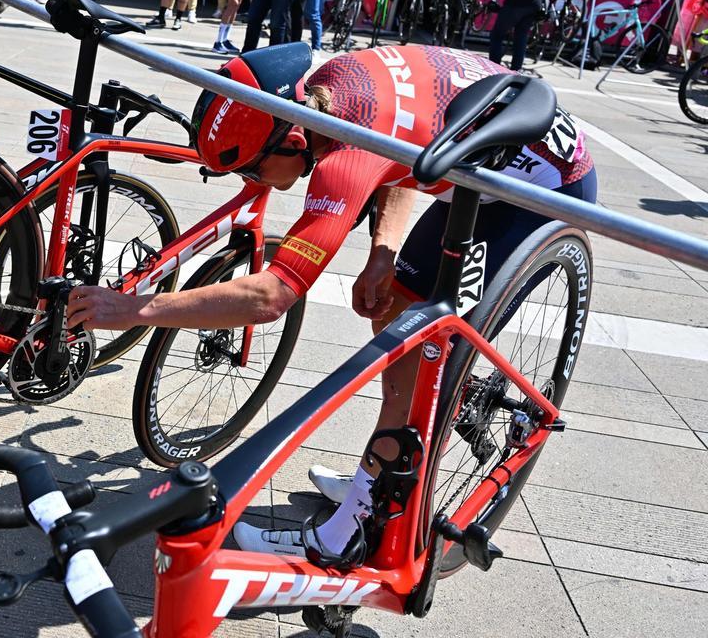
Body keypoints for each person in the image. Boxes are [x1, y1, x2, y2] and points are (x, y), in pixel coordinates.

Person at [66, 42, 597, 562]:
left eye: (252, 169)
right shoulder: (331, 90)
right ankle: (391, 465)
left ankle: (348, 535)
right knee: (395, 320)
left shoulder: (342, 159)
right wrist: (383, 251)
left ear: (292, 141)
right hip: (482, 163)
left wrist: (134, 310)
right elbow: (403, 147)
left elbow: (269, 296)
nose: (253, 182)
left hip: (542, 189)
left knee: (419, 351)